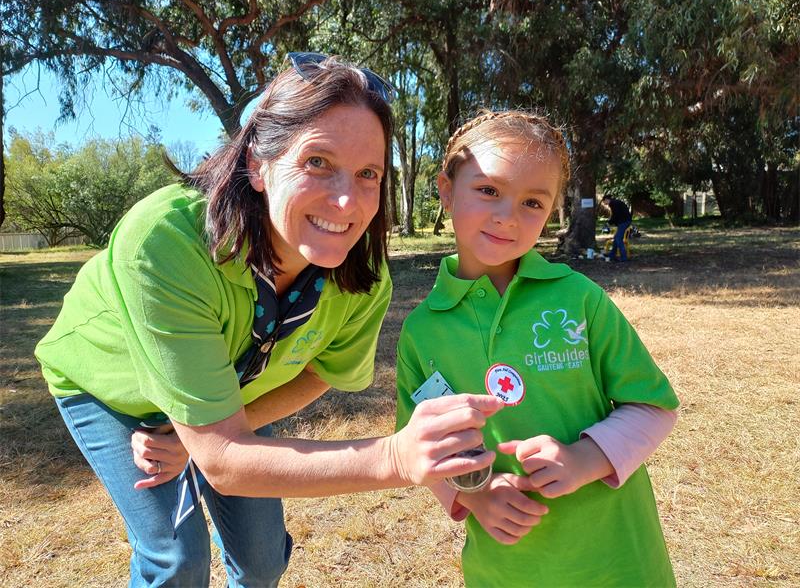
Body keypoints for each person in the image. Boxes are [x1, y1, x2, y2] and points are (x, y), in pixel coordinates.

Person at [35, 54, 502, 587]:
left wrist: (200, 437)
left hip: (232, 393)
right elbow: (225, 459)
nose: (346, 200)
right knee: (176, 562)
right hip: (111, 386)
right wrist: (396, 456)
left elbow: (322, 372)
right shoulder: (164, 243)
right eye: (318, 162)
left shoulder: (363, 278)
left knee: (262, 560)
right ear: (258, 163)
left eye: (368, 173)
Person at [395, 111, 679, 587]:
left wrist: (584, 459)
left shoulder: (579, 299)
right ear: (446, 191)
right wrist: (477, 497)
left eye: (532, 201)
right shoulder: (423, 332)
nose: (507, 216)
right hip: (506, 570)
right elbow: (423, 452)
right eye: (488, 190)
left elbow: (653, 406)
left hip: (619, 562)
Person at [601, 193, 633, 262]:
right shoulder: (615, 202)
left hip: (624, 222)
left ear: (606, 200)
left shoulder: (613, 203)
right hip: (625, 221)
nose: (604, 203)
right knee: (616, 238)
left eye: (604, 202)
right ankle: (612, 255)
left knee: (618, 238)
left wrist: (609, 223)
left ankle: (624, 257)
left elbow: (615, 215)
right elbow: (616, 215)